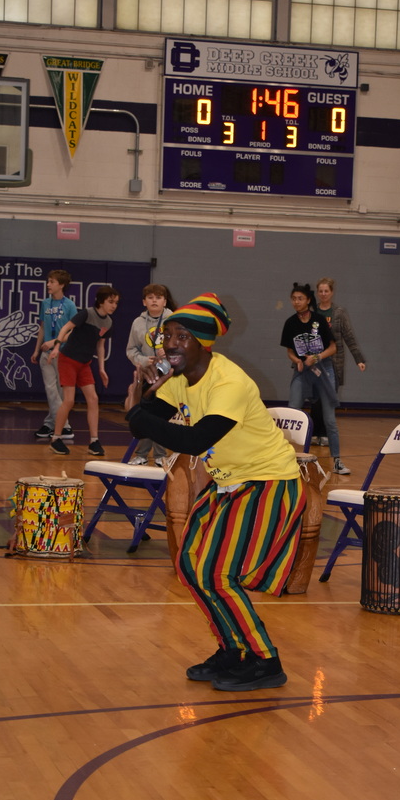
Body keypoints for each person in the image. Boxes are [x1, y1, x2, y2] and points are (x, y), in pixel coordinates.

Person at [125, 292, 306, 691]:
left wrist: (143, 414)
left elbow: (195, 439)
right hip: (229, 482)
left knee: (218, 574)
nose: (171, 343)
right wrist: (145, 393)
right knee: (190, 565)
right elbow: (139, 423)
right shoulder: (181, 380)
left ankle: (263, 660)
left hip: (268, 482)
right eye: (168, 335)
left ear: (203, 343)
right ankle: (233, 648)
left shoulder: (228, 382)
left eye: (182, 336)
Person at [280, 282, 351, 475]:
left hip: (323, 369)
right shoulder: (290, 323)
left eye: (300, 298)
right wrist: (297, 360)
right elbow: (289, 351)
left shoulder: (318, 320)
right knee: (292, 412)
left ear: (308, 300)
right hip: (302, 371)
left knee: (329, 419)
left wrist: (317, 357)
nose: (296, 302)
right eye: (294, 298)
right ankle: (286, 458)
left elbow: (333, 347)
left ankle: (337, 461)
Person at [47, 285, 120, 457]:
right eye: (111, 302)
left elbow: (100, 345)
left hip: (84, 364)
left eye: (116, 302)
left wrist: (102, 369)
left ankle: (94, 441)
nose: (114, 305)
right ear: (101, 301)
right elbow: (65, 328)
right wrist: (57, 346)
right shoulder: (86, 314)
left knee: (93, 399)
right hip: (68, 360)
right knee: (69, 400)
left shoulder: (108, 322)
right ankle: (56, 438)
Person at [310, 276, 367, 447]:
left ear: (332, 293)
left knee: (328, 398)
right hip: (315, 362)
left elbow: (349, 336)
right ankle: (315, 433)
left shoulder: (339, 312)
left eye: (326, 291)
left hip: (334, 363)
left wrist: (359, 359)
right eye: (320, 291)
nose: (323, 294)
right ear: (317, 293)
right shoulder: (312, 312)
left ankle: (326, 433)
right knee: (315, 399)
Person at [125, 283, 176, 466]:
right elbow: (131, 350)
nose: (154, 300)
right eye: (150, 297)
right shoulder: (138, 323)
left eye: (158, 297)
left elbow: (183, 346)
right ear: (144, 302)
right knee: (145, 414)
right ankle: (142, 454)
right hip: (147, 373)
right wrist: (146, 360)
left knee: (159, 415)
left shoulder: (173, 319)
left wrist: (168, 353)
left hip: (169, 375)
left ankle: (161, 456)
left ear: (164, 301)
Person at [30, 269, 78, 440]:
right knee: (51, 389)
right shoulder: (45, 303)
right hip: (46, 354)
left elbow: (74, 331)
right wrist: (36, 349)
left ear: (62, 285)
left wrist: (56, 341)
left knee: (59, 391)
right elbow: (42, 327)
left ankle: (50, 424)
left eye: (52, 282)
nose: (48, 284)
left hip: (63, 353)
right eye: (48, 281)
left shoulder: (70, 305)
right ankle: (64, 426)